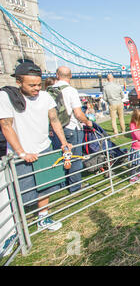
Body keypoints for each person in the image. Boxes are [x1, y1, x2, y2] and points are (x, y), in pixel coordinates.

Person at [0, 62, 71, 231]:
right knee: (20, 193)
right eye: (32, 85)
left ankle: (43, 217)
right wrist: (21, 152)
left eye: (39, 84)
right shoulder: (6, 97)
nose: (37, 88)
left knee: (45, 186)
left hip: (43, 148)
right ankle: (15, 227)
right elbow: (6, 125)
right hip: (20, 153)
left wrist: (64, 142)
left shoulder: (46, 97)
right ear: (19, 82)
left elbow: (54, 120)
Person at [49, 66, 93, 194]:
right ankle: (75, 186)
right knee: (74, 157)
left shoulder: (49, 90)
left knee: (61, 156)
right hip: (71, 127)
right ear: (71, 76)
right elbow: (78, 113)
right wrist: (87, 121)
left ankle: (62, 184)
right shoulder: (71, 91)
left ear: (57, 75)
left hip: (56, 129)